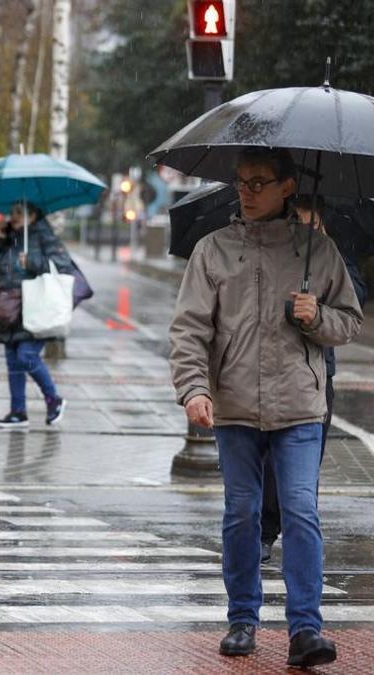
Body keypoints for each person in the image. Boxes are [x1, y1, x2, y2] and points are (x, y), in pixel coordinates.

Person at [170, 148, 362, 667]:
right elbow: (189, 329)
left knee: (301, 512)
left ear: (287, 186)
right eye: (241, 182)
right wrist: (194, 389)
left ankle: (306, 630)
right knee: (242, 513)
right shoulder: (213, 250)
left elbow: (349, 320)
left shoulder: (317, 251)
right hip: (232, 406)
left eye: (259, 182)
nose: (247, 192)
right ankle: (242, 620)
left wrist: (317, 315)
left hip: (300, 405)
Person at [259, 196, 369, 565]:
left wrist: (316, 307)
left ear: (320, 221)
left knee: (303, 467)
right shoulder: (270, 254)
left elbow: (353, 302)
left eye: (308, 220)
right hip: (267, 371)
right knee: (268, 463)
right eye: (295, 219)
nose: (302, 227)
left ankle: (297, 536)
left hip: (318, 375)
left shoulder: (332, 256)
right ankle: (264, 529)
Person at [0, 203, 71, 430]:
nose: (14, 217)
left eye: (20, 212)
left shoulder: (44, 235)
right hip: (9, 308)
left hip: (35, 308)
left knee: (26, 356)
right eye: (13, 212)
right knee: (13, 361)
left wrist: (32, 262)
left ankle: (53, 398)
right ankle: (18, 412)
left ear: (33, 215)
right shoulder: (8, 236)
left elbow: (62, 265)